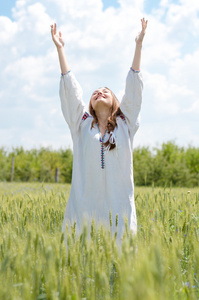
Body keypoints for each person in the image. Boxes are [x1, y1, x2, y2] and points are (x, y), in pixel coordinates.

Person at [51, 18, 148, 240]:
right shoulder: (81, 125)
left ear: (116, 101)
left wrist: (138, 45)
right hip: (85, 208)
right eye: (95, 92)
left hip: (118, 210)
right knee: (83, 264)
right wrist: (61, 49)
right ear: (90, 104)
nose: (99, 92)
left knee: (119, 265)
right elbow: (70, 93)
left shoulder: (126, 124)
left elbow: (134, 90)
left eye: (106, 91)